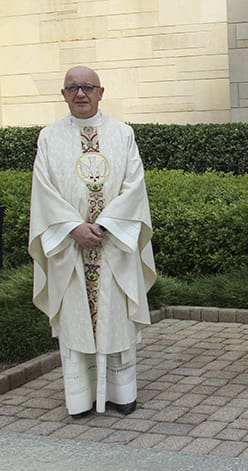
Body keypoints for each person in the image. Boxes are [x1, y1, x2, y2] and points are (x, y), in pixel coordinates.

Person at [28, 66, 156, 417]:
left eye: (87, 87)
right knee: (76, 320)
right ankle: (80, 400)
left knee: (115, 317)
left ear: (101, 92)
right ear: (63, 94)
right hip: (69, 247)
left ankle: (122, 394)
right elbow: (43, 190)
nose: (80, 94)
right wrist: (73, 227)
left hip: (114, 244)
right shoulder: (49, 137)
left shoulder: (123, 134)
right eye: (72, 88)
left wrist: (106, 225)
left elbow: (134, 185)